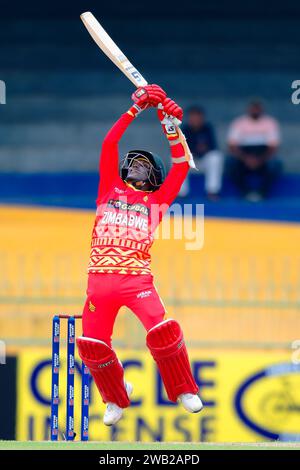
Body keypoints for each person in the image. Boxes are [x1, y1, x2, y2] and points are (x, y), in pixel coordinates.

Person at [76, 84, 203, 426]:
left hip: (137, 281)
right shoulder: (109, 189)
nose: (136, 165)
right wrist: (135, 109)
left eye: (145, 164)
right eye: (134, 162)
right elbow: (109, 144)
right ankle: (116, 396)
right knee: (91, 345)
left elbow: (181, 163)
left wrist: (168, 123)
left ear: (154, 177)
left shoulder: (157, 203)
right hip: (98, 283)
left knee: (163, 332)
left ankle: (184, 390)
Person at [227, 100, 282, 200]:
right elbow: (232, 145)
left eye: (257, 108)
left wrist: (259, 160)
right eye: (253, 108)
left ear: (261, 110)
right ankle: (245, 192)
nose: (255, 110)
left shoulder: (270, 122)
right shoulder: (239, 122)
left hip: (263, 155)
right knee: (230, 163)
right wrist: (246, 159)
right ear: (249, 109)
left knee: (275, 164)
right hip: (244, 155)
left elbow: (273, 146)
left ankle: (262, 192)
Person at [181, 106, 223, 199]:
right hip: (189, 162)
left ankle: (212, 191)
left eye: (198, 117)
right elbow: (180, 148)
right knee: (177, 157)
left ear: (202, 118)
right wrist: (194, 149)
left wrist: (204, 149)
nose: (195, 119)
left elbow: (213, 146)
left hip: (204, 161)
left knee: (215, 157)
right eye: (193, 116)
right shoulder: (184, 129)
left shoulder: (208, 128)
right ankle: (181, 193)